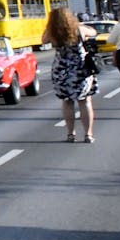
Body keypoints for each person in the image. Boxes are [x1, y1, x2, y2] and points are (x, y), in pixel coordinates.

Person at [44, 9, 98, 142]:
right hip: (80, 69)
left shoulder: (53, 32)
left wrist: (50, 28)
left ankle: (70, 134)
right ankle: (88, 135)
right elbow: (93, 32)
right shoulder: (79, 29)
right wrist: (82, 25)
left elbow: (43, 40)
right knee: (84, 101)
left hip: (61, 70)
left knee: (67, 101)